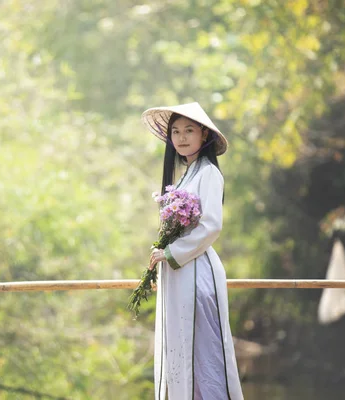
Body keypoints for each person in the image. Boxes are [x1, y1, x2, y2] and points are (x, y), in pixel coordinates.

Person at [141, 102, 244, 400]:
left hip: (197, 273)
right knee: (182, 346)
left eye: (189, 130)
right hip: (181, 272)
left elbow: (211, 226)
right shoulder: (188, 174)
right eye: (175, 131)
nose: (181, 137)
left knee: (202, 349)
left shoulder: (209, 173)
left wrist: (172, 253)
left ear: (204, 136)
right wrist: (165, 251)